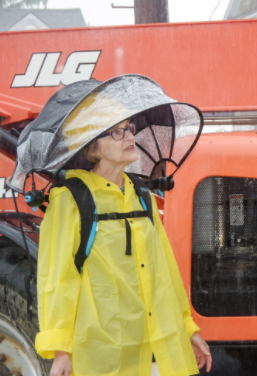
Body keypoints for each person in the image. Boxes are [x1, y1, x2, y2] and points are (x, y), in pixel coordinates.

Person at [36, 119, 212, 376]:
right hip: (100, 352)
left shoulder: (142, 195)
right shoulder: (71, 199)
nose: (129, 136)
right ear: (93, 149)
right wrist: (61, 350)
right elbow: (57, 279)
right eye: (116, 133)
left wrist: (187, 328)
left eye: (128, 129)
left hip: (153, 344)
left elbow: (164, 271)